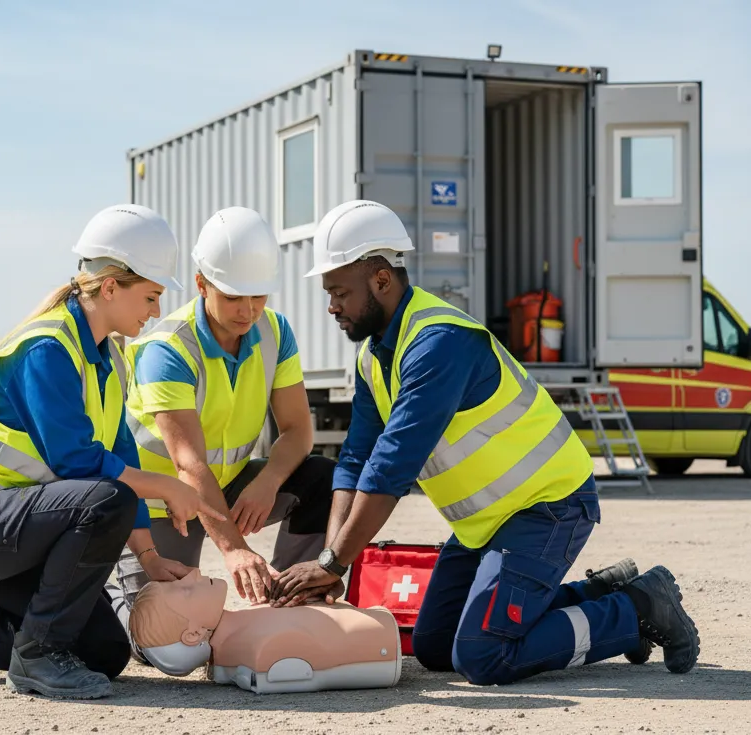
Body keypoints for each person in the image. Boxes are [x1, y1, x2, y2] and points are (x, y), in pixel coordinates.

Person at [270, 199, 701, 685]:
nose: (331, 306)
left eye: (339, 292)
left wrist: (333, 563)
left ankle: (636, 609)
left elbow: (390, 469)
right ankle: (602, 595)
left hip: (548, 506)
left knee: (484, 654)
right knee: (436, 645)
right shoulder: (374, 356)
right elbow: (356, 460)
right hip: (488, 523)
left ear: (381, 280)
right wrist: (332, 560)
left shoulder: (438, 342)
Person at [0, 204, 224, 701]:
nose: (154, 311)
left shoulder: (108, 356)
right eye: (150, 296)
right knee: (107, 498)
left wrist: (149, 557)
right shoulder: (47, 348)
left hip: (12, 526)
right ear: (110, 287)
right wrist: (168, 486)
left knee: (102, 651)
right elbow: (77, 464)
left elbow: (121, 453)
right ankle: (38, 657)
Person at [114, 206, 335, 619]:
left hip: (228, 489)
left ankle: (292, 601)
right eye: (233, 297)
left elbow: (298, 431)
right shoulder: (167, 349)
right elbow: (189, 464)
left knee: (321, 477)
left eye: (258, 296)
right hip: (163, 506)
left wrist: (268, 481)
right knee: (163, 634)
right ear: (202, 284)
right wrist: (234, 549)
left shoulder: (275, 332)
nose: (247, 311)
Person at [119, 568, 402, 694]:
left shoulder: (240, 630)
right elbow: (285, 659)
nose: (193, 572)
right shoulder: (255, 647)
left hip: (371, 624)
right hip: (379, 639)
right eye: (186, 590)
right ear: (193, 635)